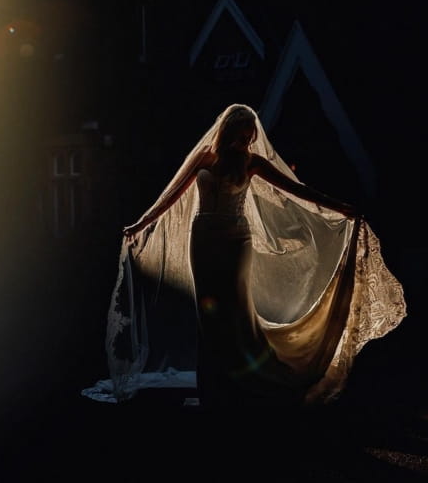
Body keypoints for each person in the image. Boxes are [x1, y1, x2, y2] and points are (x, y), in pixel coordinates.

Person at [83, 103, 407, 414]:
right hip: (204, 240)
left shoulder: (252, 163)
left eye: (251, 135)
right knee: (208, 314)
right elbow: (172, 193)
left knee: (235, 312)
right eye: (243, 134)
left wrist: (341, 208)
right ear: (229, 130)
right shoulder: (204, 158)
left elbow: (298, 192)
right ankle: (213, 386)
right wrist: (143, 223)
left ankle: (242, 382)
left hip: (237, 242)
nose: (248, 140)